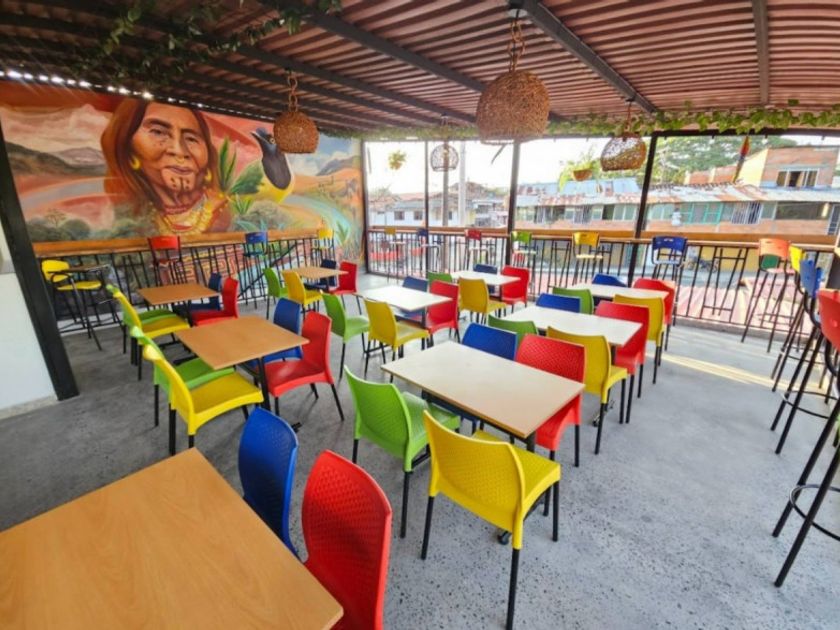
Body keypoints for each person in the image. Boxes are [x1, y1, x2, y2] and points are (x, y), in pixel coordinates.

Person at [101, 100, 229, 234]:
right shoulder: (123, 213)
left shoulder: (221, 209)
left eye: (191, 139)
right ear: (128, 149)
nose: (179, 151)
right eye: (158, 132)